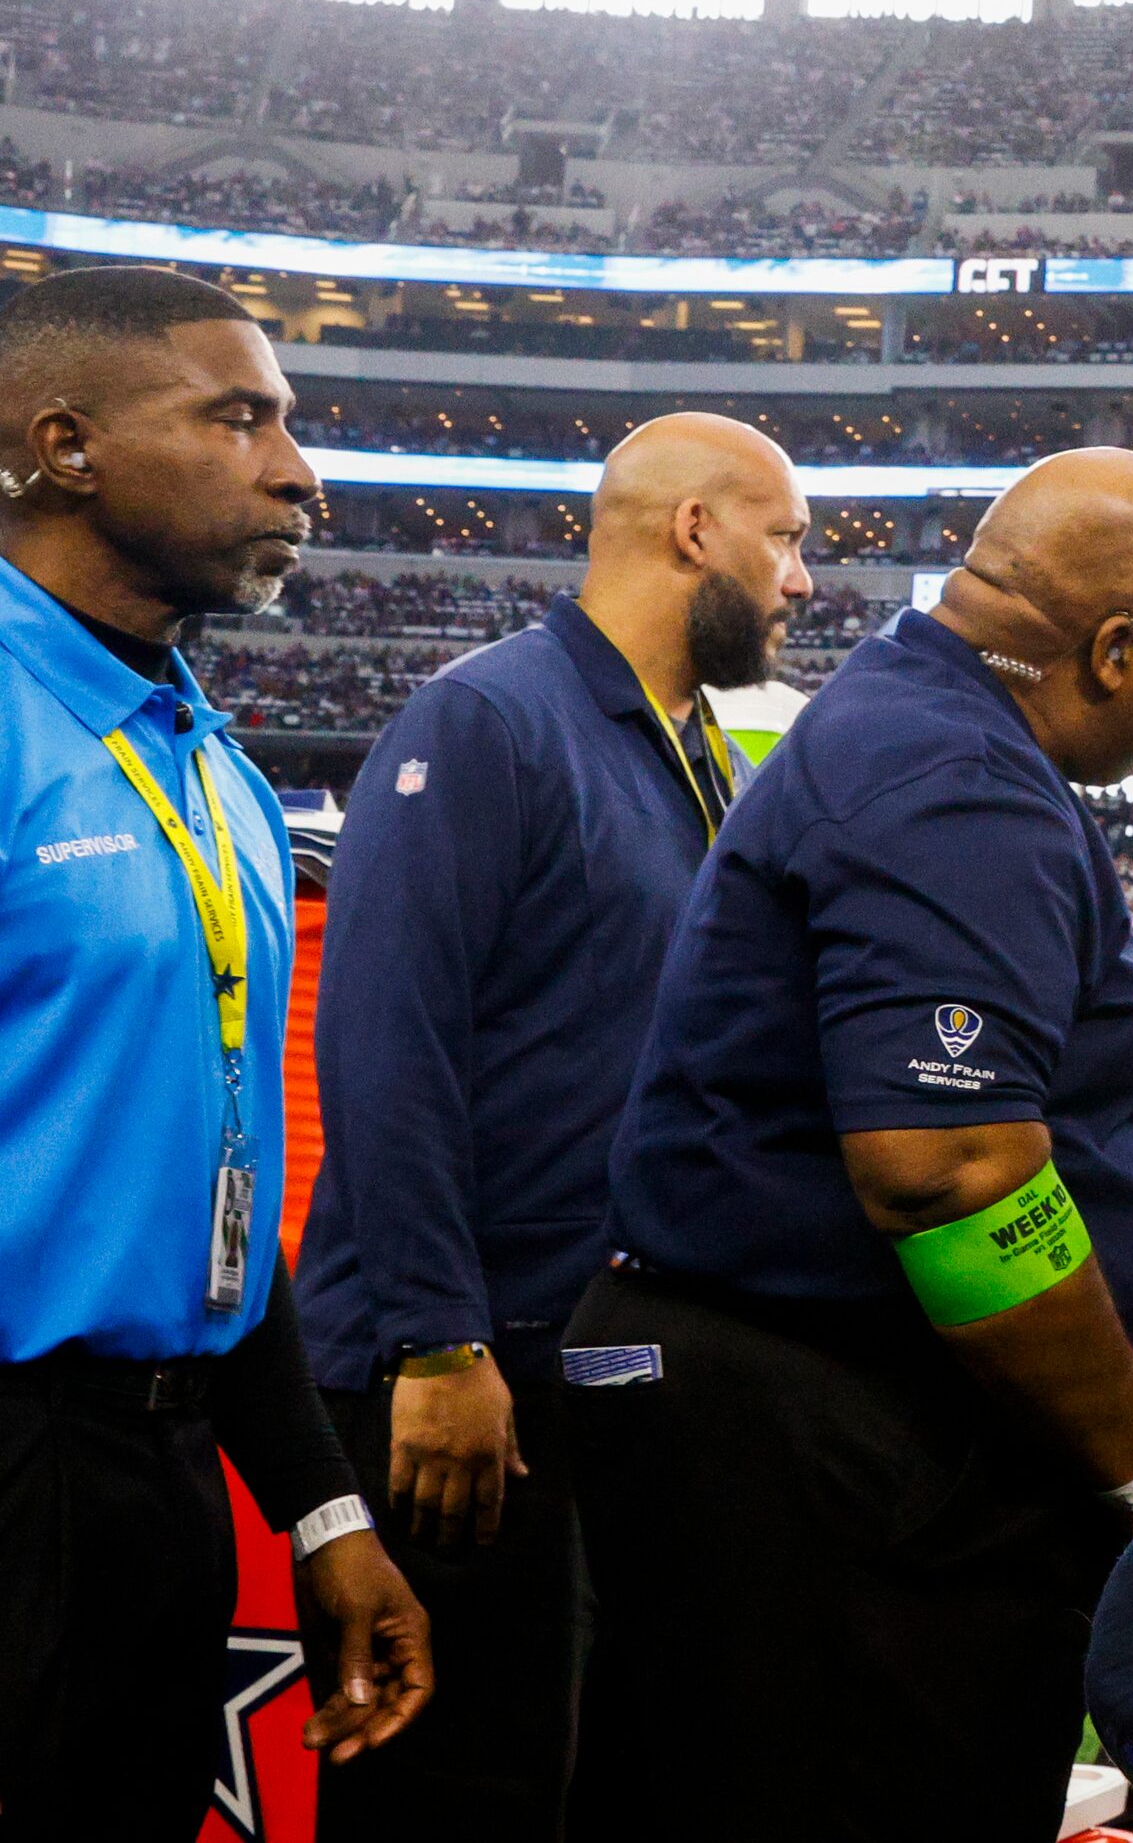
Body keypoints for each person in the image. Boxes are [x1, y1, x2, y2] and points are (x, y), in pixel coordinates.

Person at [562, 447, 1133, 1841]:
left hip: (813, 1419)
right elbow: (947, 1173)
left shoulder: (931, 735)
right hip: (836, 1448)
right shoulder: (951, 772)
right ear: (1113, 646)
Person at [291, 413, 812, 1836]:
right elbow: (387, 1043)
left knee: (602, 1784)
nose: (804, 580)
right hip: (469, 1375)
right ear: (695, 530)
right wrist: (435, 1337)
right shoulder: (488, 719)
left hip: (609, 1380)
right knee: (467, 1790)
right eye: (788, 537)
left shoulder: (699, 747)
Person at [0, 264, 430, 1835]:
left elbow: (214, 1199)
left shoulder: (214, 767)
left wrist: (321, 1510)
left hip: (167, 1485)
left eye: (290, 424)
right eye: (238, 418)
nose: (298, 471)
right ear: (66, 444)